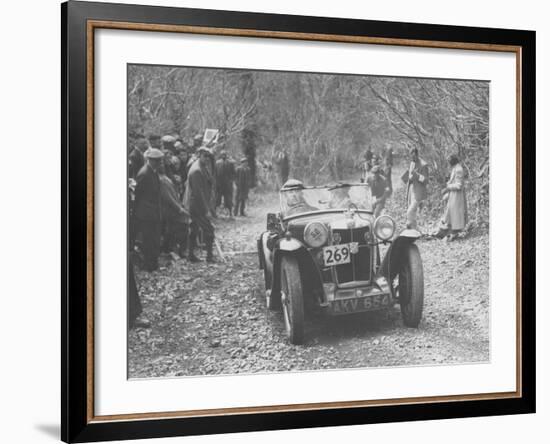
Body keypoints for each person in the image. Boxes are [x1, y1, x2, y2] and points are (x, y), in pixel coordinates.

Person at [184, 147, 216, 262]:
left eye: (208, 156)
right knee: (209, 230)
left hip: (198, 205)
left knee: (194, 229)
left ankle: (190, 255)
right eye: (205, 156)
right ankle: (209, 256)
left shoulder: (203, 167)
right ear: (199, 155)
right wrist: (206, 210)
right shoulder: (197, 170)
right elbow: (198, 193)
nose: (207, 158)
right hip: (198, 206)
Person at [135, 148, 164, 271]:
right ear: (150, 160)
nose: (159, 163)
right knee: (148, 239)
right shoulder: (144, 173)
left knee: (154, 238)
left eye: (159, 160)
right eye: (156, 161)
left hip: (153, 211)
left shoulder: (152, 171)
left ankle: (153, 263)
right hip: (146, 213)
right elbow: (138, 195)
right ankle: (149, 265)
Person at [159, 161, 190, 258]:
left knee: (170, 230)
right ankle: (178, 250)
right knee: (180, 226)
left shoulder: (165, 178)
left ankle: (169, 249)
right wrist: (180, 209)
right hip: (169, 209)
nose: (163, 166)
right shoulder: (162, 180)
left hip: (172, 208)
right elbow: (168, 198)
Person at [437, 154, 468, 241]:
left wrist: (447, 188)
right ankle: (449, 232)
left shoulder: (458, 169)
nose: (448, 163)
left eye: (449, 161)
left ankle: (454, 232)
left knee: (455, 214)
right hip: (453, 195)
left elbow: (459, 186)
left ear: (453, 161)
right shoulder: (455, 168)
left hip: (457, 196)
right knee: (450, 214)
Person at [400, 147, 429, 230]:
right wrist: (407, 176)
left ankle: (409, 227)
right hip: (411, 189)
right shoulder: (412, 163)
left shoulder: (424, 165)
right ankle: (415, 230)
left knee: (410, 211)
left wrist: (417, 175)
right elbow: (410, 175)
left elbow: (426, 180)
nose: (412, 159)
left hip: (419, 190)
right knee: (412, 211)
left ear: (417, 155)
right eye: (411, 157)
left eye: (413, 157)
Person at [215, 150, 236, 216]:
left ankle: (230, 213)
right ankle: (215, 213)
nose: (223, 156)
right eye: (222, 154)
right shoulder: (217, 163)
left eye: (224, 154)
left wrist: (231, 181)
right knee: (217, 199)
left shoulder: (230, 163)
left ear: (226, 155)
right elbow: (215, 174)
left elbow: (233, 173)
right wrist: (216, 183)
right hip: (219, 185)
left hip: (227, 185)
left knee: (228, 199)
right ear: (221, 155)